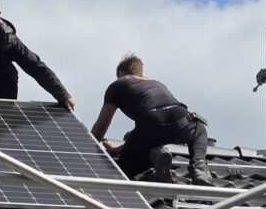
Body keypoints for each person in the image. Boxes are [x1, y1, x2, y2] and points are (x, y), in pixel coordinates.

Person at [91, 54, 212, 186]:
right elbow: (164, 123)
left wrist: (87, 146)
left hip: (151, 122)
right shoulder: (157, 83)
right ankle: (199, 168)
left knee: (123, 169)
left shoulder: (118, 84)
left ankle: (156, 156)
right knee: (199, 129)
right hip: (179, 117)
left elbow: (100, 129)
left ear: (120, 73)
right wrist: (119, 149)